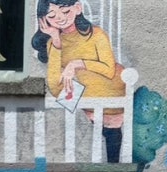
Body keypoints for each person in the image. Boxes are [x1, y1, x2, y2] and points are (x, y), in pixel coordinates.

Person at [31, 0, 126, 163]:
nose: (60, 18)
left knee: (103, 128)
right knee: (62, 99)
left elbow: (109, 70)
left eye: (65, 11)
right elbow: (54, 86)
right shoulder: (53, 42)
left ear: (77, 8)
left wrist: (76, 64)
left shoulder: (96, 34)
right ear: (44, 20)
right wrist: (56, 39)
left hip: (111, 86)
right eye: (52, 16)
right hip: (86, 92)